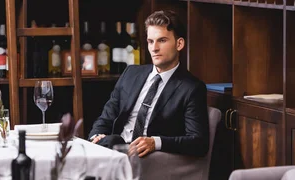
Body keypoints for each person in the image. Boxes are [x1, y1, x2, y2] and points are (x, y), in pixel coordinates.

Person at [88, 10, 209, 158]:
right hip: (112, 149)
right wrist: (96, 137)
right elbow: (106, 117)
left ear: (179, 44)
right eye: (150, 41)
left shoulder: (191, 88)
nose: (154, 48)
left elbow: (199, 142)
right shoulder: (131, 74)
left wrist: (155, 142)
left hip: (146, 158)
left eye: (162, 40)